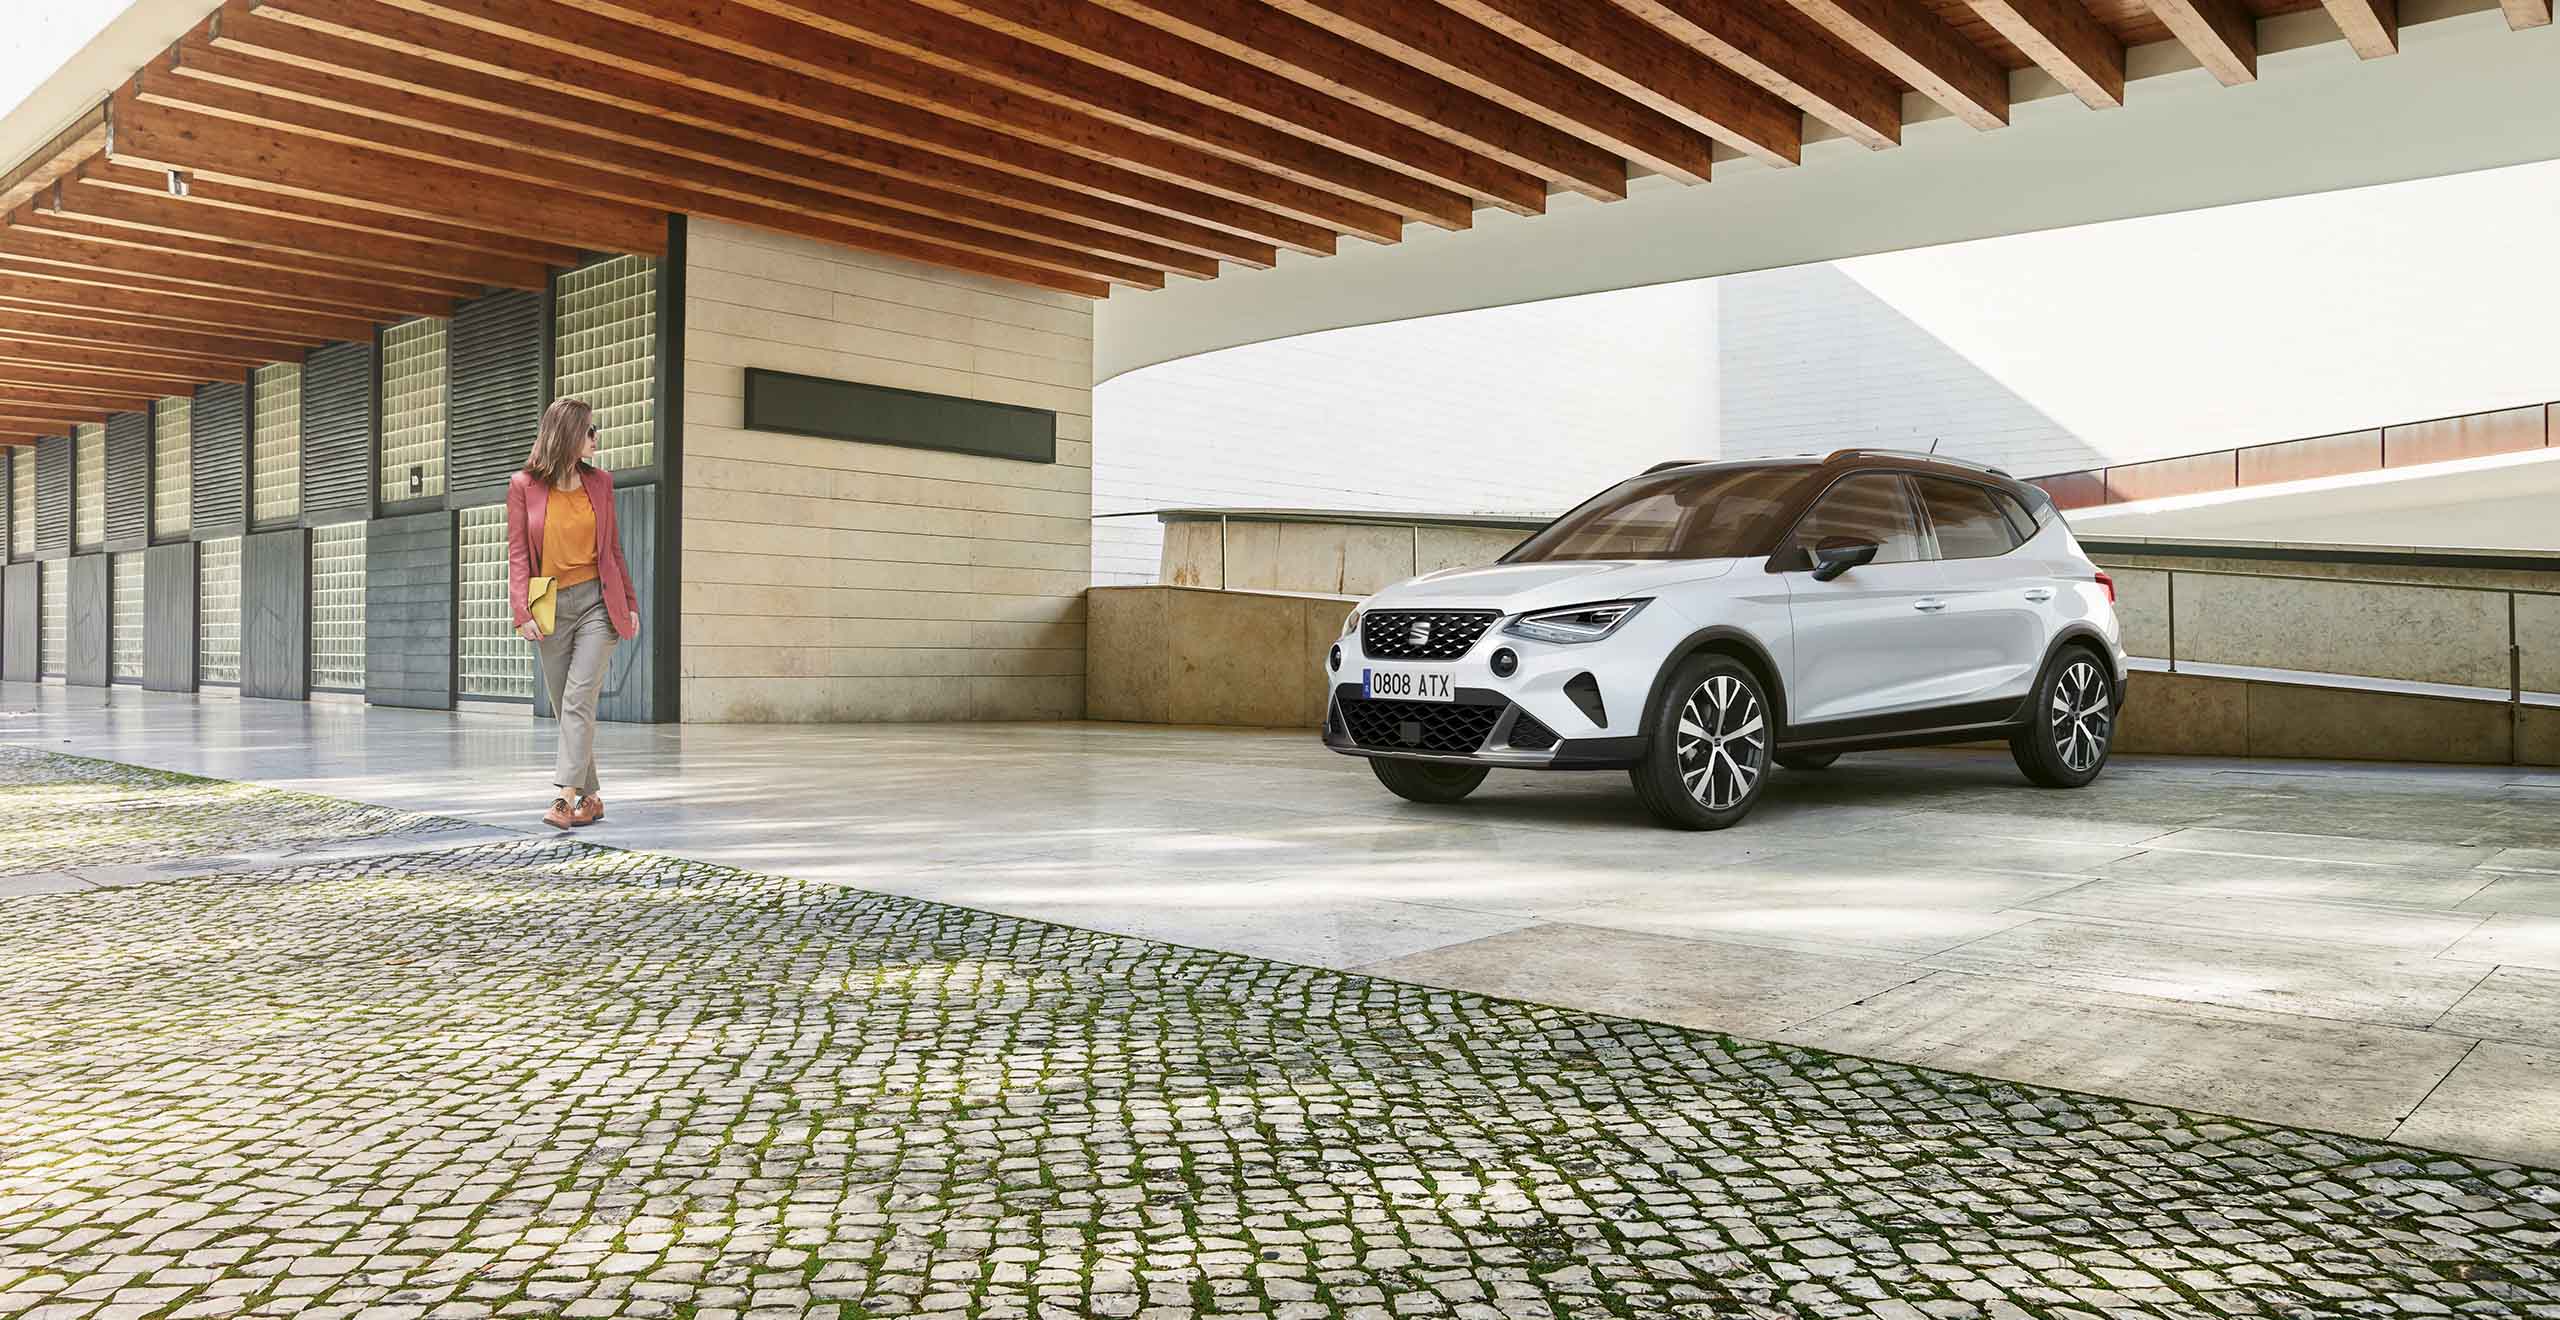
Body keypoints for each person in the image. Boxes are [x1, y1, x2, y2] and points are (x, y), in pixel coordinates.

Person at [507, 398, 640, 829]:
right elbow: (518, 555)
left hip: (597, 604)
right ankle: (593, 798)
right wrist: (520, 609)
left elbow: (614, 550)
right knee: (567, 708)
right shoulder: (523, 485)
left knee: (579, 699)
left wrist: (631, 604)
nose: (595, 438)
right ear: (568, 435)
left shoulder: (601, 482)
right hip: (549, 604)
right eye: (590, 430)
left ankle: (564, 797)